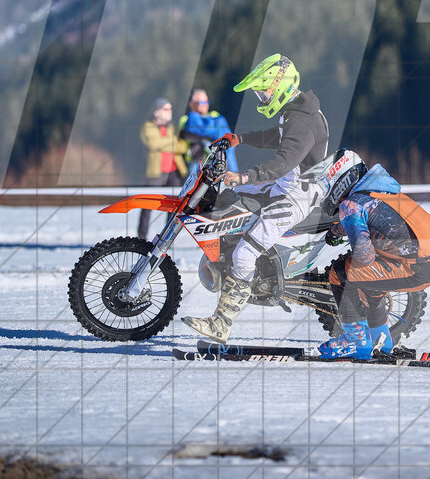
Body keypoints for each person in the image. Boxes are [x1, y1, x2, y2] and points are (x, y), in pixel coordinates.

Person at [181, 54, 329, 344]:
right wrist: (241, 139)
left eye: (264, 92)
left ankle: (221, 324)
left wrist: (247, 176)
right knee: (230, 197)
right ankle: (232, 265)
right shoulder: (296, 113)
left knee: (245, 254)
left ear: (280, 86)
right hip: (285, 187)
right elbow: (279, 137)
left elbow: (284, 160)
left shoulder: (302, 119)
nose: (262, 98)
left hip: (295, 198)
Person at [316, 150, 430, 359]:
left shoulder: (350, 205)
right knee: (370, 284)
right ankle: (383, 342)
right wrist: (340, 230)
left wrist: (341, 233)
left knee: (340, 273)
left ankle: (354, 341)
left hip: (416, 267)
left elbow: (364, 255)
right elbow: (382, 220)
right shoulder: (381, 190)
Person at [137, 98, 188, 240]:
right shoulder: (148, 126)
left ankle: (167, 237)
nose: (170, 112)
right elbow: (153, 143)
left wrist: (162, 145)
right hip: (155, 173)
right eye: (166, 109)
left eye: (170, 108)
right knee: (147, 205)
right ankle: (141, 238)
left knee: (174, 207)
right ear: (156, 112)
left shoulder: (173, 127)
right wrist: (172, 141)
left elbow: (182, 146)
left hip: (174, 172)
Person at [177, 89, 238, 172]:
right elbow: (185, 135)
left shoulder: (214, 114)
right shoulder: (185, 119)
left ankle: (232, 171)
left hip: (215, 161)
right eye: (202, 102)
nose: (205, 105)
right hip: (196, 161)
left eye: (207, 102)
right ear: (192, 104)